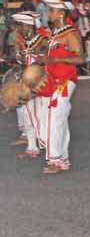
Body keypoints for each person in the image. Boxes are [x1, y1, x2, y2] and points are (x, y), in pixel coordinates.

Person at [37, 0, 85, 174]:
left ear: (61, 14)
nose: (49, 14)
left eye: (52, 11)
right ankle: (62, 159)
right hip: (53, 80)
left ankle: (54, 159)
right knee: (60, 119)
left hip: (65, 81)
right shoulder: (56, 33)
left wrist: (55, 59)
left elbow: (80, 58)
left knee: (55, 117)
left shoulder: (70, 34)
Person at [11, 11, 49, 159]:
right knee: (27, 114)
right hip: (27, 83)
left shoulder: (42, 40)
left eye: (20, 25)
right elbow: (22, 63)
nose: (18, 29)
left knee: (41, 114)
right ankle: (32, 146)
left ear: (28, 26)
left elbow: (47, 59)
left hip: (41, 84)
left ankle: (45, 143)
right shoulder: (23, 42)